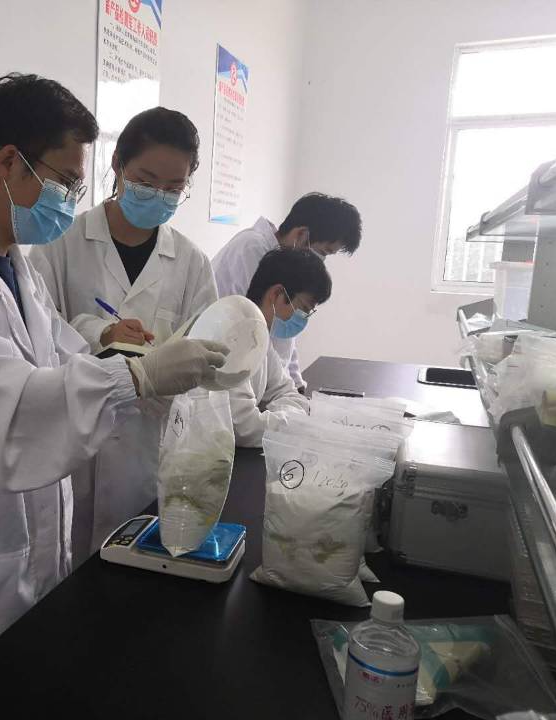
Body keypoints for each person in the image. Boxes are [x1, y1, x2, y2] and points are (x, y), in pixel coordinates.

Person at [0, 73, 227, 719]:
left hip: (23, 564)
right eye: (65, 181)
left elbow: (65, 360)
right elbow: (11, 413)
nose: (70, 200)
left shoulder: (17, 271)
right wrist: (140, 376)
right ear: (8, 163)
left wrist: (131, 357)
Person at [32, 107, 217, 557]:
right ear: (117, 164)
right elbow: (34, 340)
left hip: (152, 453)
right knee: (70, 573)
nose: (159, 196)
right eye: (147, 181)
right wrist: (100, 333)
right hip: (75, 451)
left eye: (173, 188)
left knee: (140, 570)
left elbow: (207, 364)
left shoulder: (192, 263)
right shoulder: (61, 242)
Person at [211, 193, 361, 390]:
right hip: (231, 372)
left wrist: (296, 384)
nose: (320, 261)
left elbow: (283, 331)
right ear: (301, 235)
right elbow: (258, 326)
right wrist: (286, 387)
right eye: (323, 252)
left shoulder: (283, 259)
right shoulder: (252, 249)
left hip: (265, 379)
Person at [230, 247, 332, 446]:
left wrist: (283, 417)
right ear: (277, 294)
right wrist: (290, 420)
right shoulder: (233, 336)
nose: (302, 320)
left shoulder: (260, 337)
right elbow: (244, 427)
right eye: (303, 309)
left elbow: (289, 393)